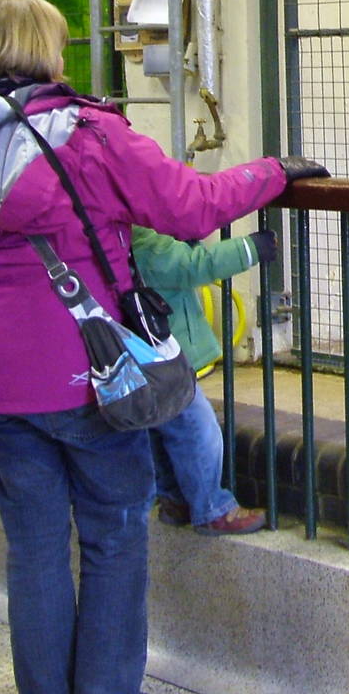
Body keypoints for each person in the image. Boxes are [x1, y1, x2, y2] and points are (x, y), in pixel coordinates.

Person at [0, 0, 327, 694]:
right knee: (112, 538)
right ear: (48, 54)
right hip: (93, 380)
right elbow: (192, 208)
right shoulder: (94, 137)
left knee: (34, 552)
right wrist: (273, 172)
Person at [132, 225, 277, 534]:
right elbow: (193, 265)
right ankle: (212, 508)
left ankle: (175, 500)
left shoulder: (121, 233)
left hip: (138, 353)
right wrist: (249, 249)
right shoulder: (143, 240)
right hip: (163, 356)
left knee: (157, 430)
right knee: (197, 428)